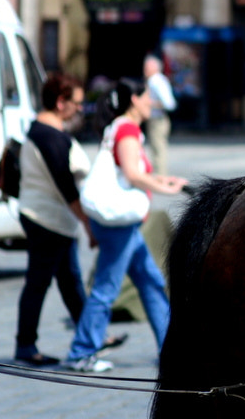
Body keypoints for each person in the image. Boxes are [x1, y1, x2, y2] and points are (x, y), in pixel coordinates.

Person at [64, 78, 186, 373]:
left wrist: (162, 180)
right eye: (148, 98)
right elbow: (132, 174)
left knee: (151, 282)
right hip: (119, 224)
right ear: (134, 99)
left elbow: (127, 171)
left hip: (121, 224)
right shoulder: (128, 129)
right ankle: (81, 351)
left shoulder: (118, 127)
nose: (151, 103)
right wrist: (164, 188)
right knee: (107, 287)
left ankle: (170, 350)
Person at [13, 73, 122, 365]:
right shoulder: (51, 137)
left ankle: (92, 334)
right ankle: (25, 345)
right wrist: (89, 224)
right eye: (76, 102)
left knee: (69, 281)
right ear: (61, 103)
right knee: (39, 282)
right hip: (46, 219)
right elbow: (67, 188)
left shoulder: (41, 130)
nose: (79, 109)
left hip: (47, 217)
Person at [142, 54, 177, 173]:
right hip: (155, 119)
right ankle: (159, 175)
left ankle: (161, 176)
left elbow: (169, 104)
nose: (144, 70)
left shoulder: (156, 81)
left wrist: (149, 103)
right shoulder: (155, 80)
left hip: (158, 120)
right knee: (155, 149)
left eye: (147, 67)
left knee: (158, 149)